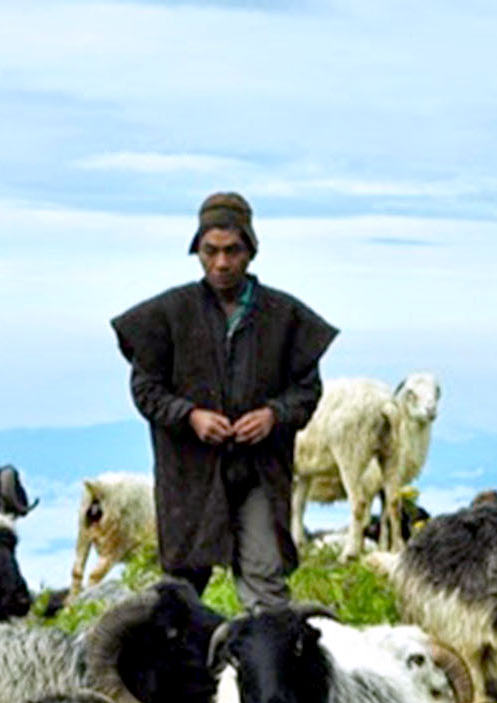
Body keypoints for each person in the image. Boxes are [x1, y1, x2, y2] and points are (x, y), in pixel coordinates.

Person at [112, 192, 338, 609]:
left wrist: (273, 415)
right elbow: (146, 388)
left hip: (259, 471)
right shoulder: (168, 314)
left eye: (232, 251)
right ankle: (181, 669)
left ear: (250, 251)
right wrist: (190, 416)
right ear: (197, 251)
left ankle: (265, 669)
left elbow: (306, 390)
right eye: (210, 251)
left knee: (265, 582)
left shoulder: (284, 317)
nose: (221, 263)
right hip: (191, 473)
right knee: (181, 587)